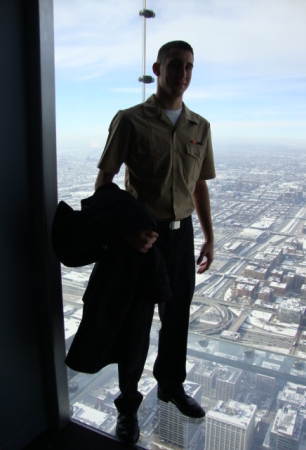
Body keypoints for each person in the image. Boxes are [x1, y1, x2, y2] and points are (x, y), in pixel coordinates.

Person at [95, 40, 216, 445]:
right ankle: (128, 405)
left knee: (177, 317)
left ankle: (170, 386)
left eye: (190, 67)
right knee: (136, 323)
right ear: (158, 67)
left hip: (182, 238)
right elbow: (104, 183)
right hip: (141, 238)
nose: (183, 74)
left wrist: (209, 237)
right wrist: (124, 232)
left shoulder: (201, 127)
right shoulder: (130, 120)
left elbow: (199, 185)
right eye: (176, 65)